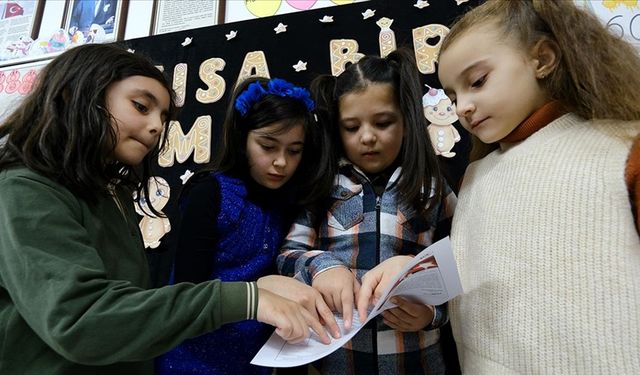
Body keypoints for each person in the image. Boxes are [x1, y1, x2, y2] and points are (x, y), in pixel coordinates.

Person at [0, 44, 333, 374]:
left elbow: (129, 312)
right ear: (77, 94)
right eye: (141, 106)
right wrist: (250, 298)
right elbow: (81, 320)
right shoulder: (23, 190)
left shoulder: (109, 193)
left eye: (163, 116)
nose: (158, 126)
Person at [360, 1, 640, 373]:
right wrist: (407, 269)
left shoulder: (623, 149)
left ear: (542, 58)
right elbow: (479, 274)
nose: (463, 108)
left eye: (477, 82)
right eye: (454, 96)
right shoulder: (475, 176)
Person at [277, 48, 457, 374]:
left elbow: (461, 267)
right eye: (351, 127)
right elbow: (289, 253)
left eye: (383, 122)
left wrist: (433, 314)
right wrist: (323, 267)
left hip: (418, 362)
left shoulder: (433, 189)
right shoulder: (322, 186)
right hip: (336, 361)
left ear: (406, 119)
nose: (368, 137)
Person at [156, 77, 341, 375]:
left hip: (255, 362)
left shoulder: (291, 203)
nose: (281, 162)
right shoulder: (210, 193)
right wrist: (258, 291)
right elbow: (186, 294)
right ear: (243, 139)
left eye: (294, 151)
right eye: (268, 146)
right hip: (192, 359)